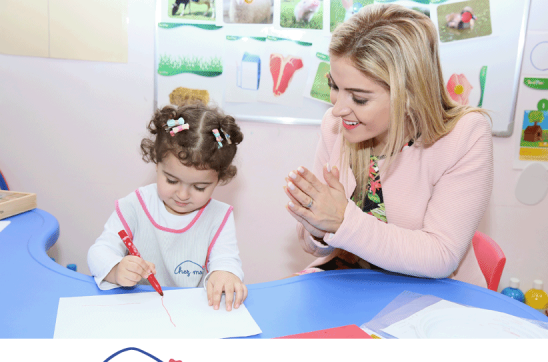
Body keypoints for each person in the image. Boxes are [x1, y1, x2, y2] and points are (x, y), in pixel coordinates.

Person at [283, 4, 493, 287]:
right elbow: (317, 242)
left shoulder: (465, 134)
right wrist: (316, 226)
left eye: (359, 98)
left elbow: (441, 255)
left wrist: (342, 221)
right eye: (334, 86)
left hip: (433, 295)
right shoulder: (335, 125)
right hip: (350, 284)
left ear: (409, 94)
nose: (338, 109)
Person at [88, 102, 247, 310]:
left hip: (192, 313)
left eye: (199, 187)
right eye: (171, 181)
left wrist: (226, 273)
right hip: (138, 308)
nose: (182, 195)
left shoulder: (219, 216)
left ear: (218, 179)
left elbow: (226, 259)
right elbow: (99, 251)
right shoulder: (134, 206)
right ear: (157, 164)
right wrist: (116, 270)